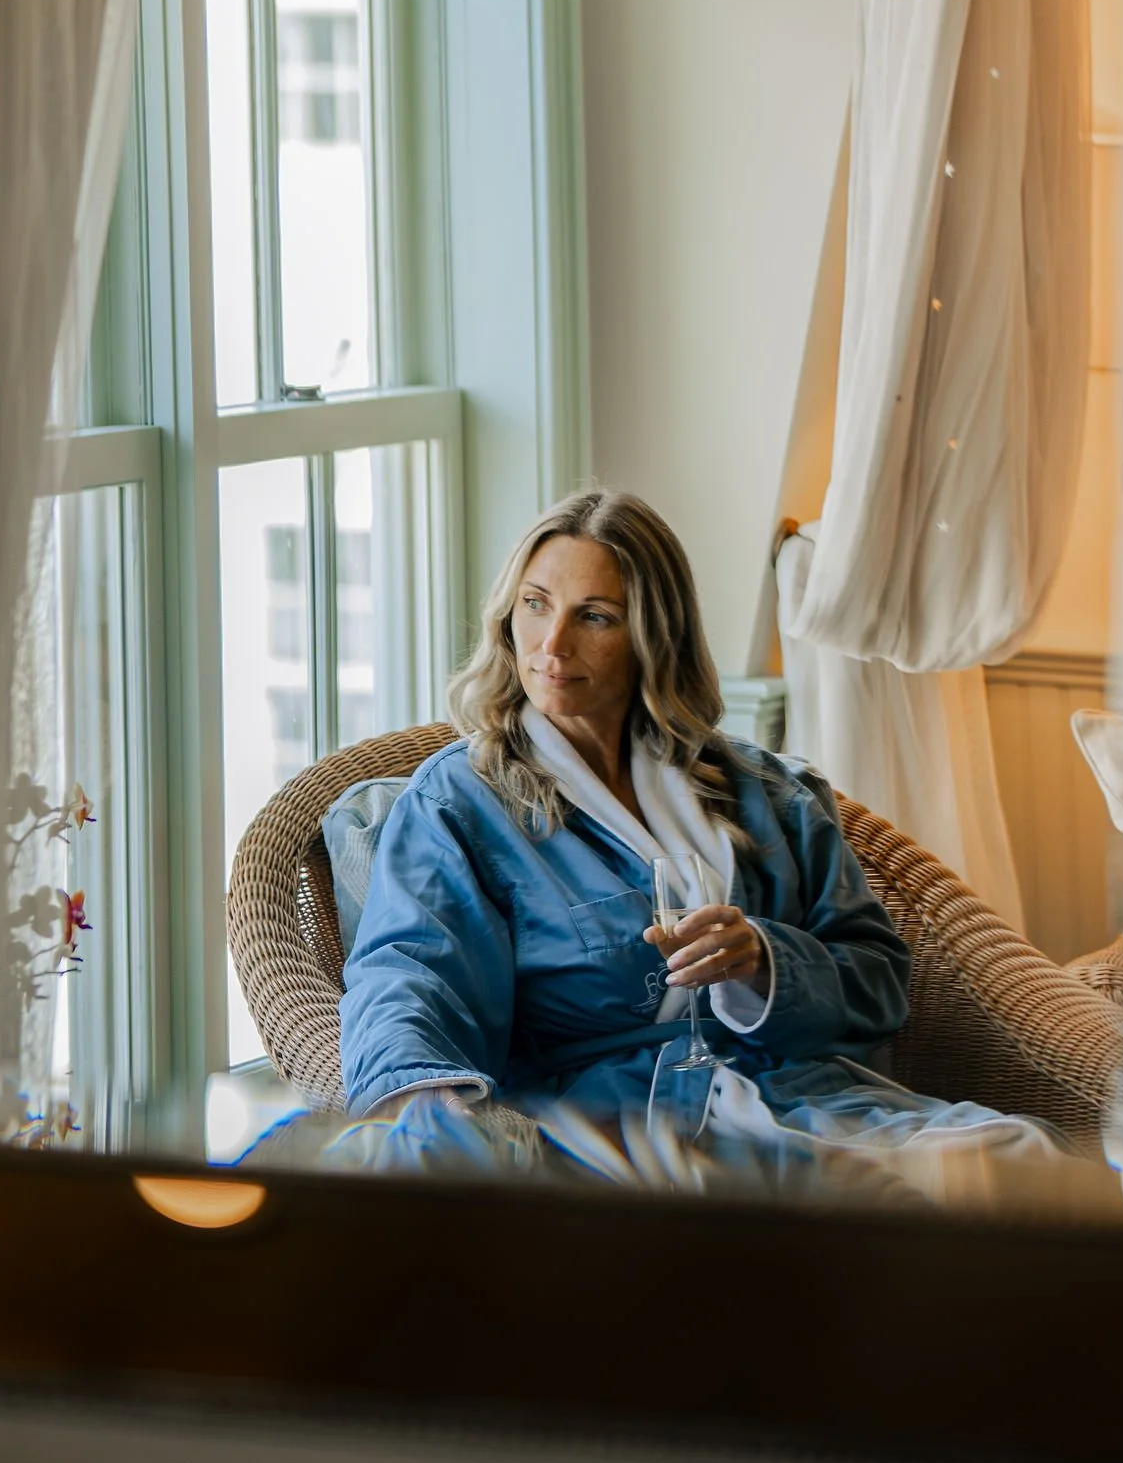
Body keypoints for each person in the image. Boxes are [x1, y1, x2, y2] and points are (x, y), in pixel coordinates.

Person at [336, 487, 1061, 1181]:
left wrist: (765, 964)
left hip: (801, 1097)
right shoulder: (462, 802)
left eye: (594, 616)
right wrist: (425, 1100)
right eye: (535, 605)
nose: (551, 644)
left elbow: (877, 984)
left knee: (1018, 1159)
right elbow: (409, 969)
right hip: (606, 1126)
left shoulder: (771, 796)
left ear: (653, 633)